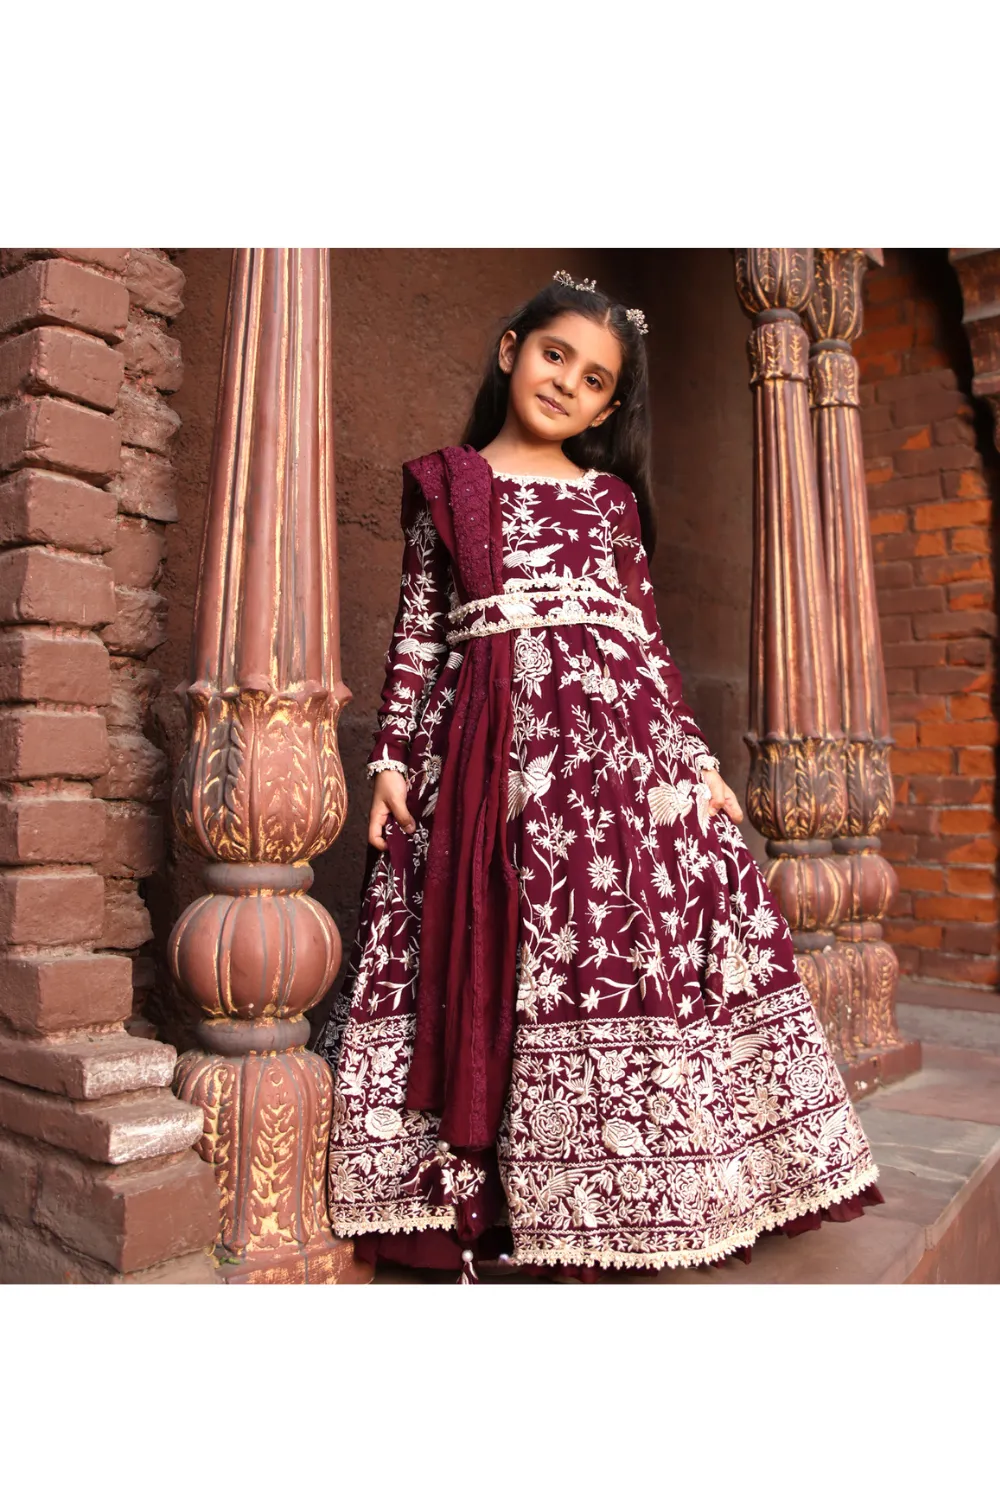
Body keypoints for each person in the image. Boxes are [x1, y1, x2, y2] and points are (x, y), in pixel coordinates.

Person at [315, 269, 883, 1282]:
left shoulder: (610, 501)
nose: (566, 384)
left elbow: (646, 641)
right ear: (510, 351)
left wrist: (697, 760)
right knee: (510, 932)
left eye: (593, 380)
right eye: (553, 355)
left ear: (611, 406)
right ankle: (479, 1193)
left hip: (617, 762)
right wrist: (391, 757)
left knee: (613, 934)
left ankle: (651, 1184)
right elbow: (413, 635)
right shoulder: (448, 487)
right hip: (490, 747)